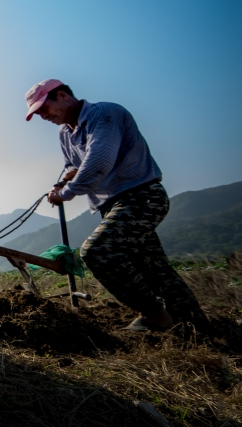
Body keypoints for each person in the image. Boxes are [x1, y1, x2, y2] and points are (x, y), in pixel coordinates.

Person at [25, 79, 207, 331]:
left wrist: (66, 193)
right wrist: (67, 177)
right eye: (37, 112)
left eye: (44, 108)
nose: (42, 115)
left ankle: (153, 314)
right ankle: (195, 326)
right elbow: (72, 164)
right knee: (155, 268)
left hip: (141, 196)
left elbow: (99, 161)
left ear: (63, 96)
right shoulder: (65, 132)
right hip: (111, 205)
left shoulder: (105, 114)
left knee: (97, 251)